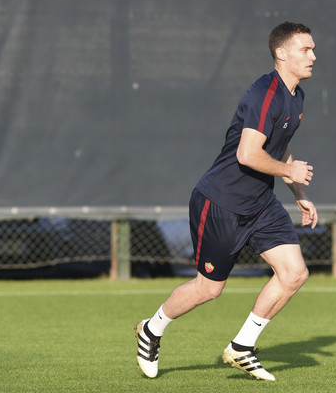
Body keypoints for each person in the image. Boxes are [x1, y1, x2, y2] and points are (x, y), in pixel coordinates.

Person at [135, 21, 317, 382]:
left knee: (294, 273)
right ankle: (151, 329)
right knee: (209, 289)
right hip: (220, 203)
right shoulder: (266, 92)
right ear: (282, 53)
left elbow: (279, 144)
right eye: (305, 49)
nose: (313, 56)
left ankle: (241, 347)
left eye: (313, 49)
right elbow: (248, 154)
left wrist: (299, 194)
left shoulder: (296, 97)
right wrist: (291, 173)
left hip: (260, 203)